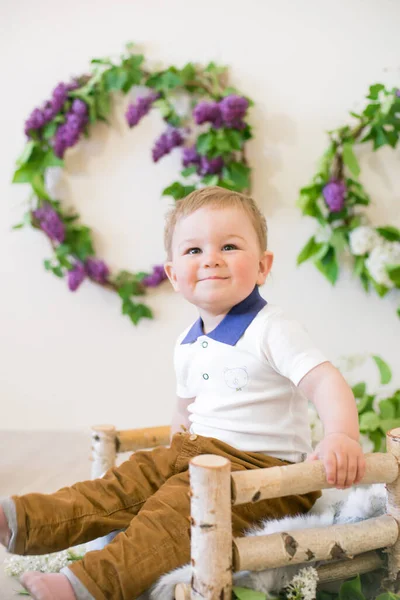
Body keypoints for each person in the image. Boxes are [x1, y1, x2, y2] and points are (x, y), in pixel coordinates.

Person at [0, 186, 366, 600]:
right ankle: (25, 520)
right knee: (126, 481)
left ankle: (86, 584)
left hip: (263, 473)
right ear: (174, 275)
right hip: (197, 454)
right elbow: (184, 411)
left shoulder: (272, 328)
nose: (210, 258)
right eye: (193, 251)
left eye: (229, 246)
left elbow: (325, 381)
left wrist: (340, 436)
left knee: (175, 511)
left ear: (263, 267)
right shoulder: (187, 343)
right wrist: (164, 462)